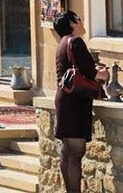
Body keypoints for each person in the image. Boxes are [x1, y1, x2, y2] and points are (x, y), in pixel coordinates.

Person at [53, 11, 107, 193]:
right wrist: (103, 74)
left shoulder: (62, 43)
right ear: (72, 24)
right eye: (79, 19)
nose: (82, 22)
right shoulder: (76, 42)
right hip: (75, 102)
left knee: (67, 151)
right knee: (75, 153)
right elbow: (91, 73)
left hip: (64, 100)